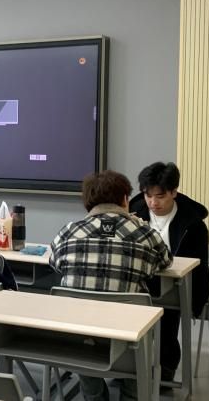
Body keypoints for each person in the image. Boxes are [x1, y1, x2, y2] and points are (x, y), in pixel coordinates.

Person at [50, 170, 172, 401]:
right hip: (128, 342)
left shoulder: (67, 232)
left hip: (77, 342)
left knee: (81, 321)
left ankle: (94, 395)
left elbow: (54, 263)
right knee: (138, 325)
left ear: (88, 201)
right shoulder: (145, 234)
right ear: (125, 199)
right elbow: (165, 261)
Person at [129, 161, 209, 382]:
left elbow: (199, 267)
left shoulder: (193, 224)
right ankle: (128, 366)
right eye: (148, 196)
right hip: (139, 280)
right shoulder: (133, 213)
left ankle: (166, 366)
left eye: (160, 196)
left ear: (174, 192)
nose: (153, 203)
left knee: (167, 310)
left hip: (176, 284)